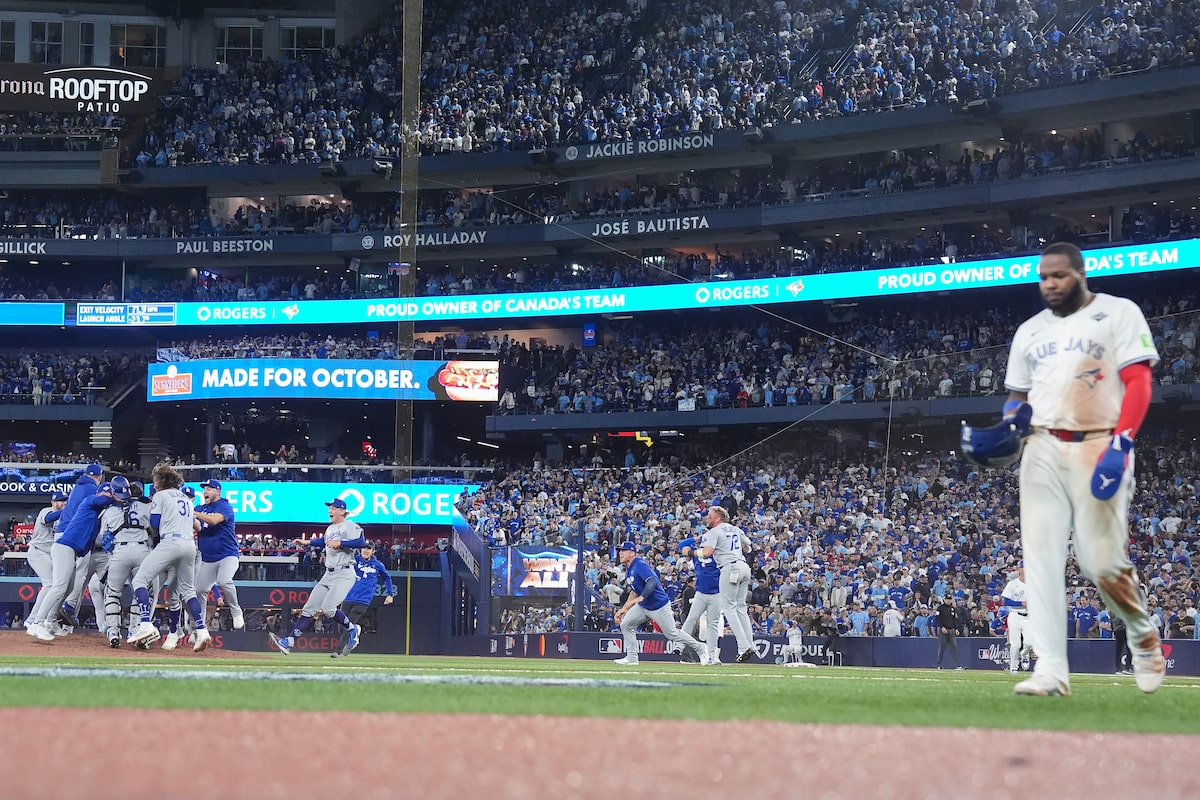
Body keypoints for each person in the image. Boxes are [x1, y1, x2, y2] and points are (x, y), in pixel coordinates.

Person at [1002, 241, 1165, 696]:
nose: (1050, 284)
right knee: (1040, 558)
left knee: (1099, 562)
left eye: (1058, 275)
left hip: (1100, 442)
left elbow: (1139, 382)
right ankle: (1051, 668)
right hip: (1041, 447)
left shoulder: (1119, 312)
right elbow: (1017, 398)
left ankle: (1141, 631)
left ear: (1080, 274)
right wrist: (1008, 424)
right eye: (1043, 277)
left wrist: (1122, 443)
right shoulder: (1029, 331)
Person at [25, 481, 126, 642]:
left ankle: (50, 621)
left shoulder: (97, 515)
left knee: (69, 588)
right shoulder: (90, 501)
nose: (108, 496)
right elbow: (103, 499)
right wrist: (119, 496)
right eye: (107, 493)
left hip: (71, 551)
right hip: (63, 547)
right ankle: (36, 622)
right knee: (58, 586)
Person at [128, 463, 211, 652]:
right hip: (189, 545)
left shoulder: (160, 495)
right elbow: (196, 525)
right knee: (188, 592)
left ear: (161, 479)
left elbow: (155, 523)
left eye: (155, 479)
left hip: (170, 542)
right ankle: (201, 629)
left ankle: (145, 623)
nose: (154, 483)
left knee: (140, 580)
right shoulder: (185, 498)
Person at [269, 497, 367, 655]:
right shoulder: (330, 529)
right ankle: (289, 642)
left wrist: (342, 543)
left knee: (328, 609)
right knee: (308, 608)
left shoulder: (349, 525)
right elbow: (324, 541)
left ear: (342, 511)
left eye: (333, 508)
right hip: (328, 573)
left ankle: (351, 629)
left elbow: (362, 543)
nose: (330, 511)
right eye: (329, 508)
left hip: (344, 573)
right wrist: (308, 542)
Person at [611, 541, 706, 665]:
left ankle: (700, 647)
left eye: (624, 550)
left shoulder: (639, 565)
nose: (620, 553)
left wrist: (642, 596)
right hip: (644, 606)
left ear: (632, 553)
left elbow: (653, 581)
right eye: (620, 551)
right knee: (626, 625)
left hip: (659, 605)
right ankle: (632, 658)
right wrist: (624, 609)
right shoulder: (630, 568)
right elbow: (634, 592)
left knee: (672, 633)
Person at [99, 480, 157, 648]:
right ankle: (136, 631)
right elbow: (154, 530)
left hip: (120, 552)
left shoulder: (109, 511)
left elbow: (102, 537)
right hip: (142, 551)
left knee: (112, 593)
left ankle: (113, 632)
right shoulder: (144, 506)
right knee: (142, 592)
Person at [699, 505, 756, 663]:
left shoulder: (714, 532)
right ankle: (750, 644)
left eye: (710, 516)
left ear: (718, 518)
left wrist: (691, 552)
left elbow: (706, 553)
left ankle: (743, 647)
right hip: (744, 567)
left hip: (730, 568)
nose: (707, 518)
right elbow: (748, 545)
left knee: (729, 607)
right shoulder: (735, 529)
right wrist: (742, 548)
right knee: (741, 608)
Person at [192, 478, 244, 632]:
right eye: (204, 489)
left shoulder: (224, 506)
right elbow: (198, 528)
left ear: (218, 491)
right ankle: (200, 626)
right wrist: (188, 517)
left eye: (209, 489)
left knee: (224, 580)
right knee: (199, 590)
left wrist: (193, 512)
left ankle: (236, 612)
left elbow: (214, 520)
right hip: (208, 559)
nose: (205, 491)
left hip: (227, 555)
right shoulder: (200, 507)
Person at [331, 542, 395, 658]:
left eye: (368, 548)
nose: (366, 550)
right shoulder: (354, 560)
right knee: (341, 627)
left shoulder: (377, 565)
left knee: (347, 625)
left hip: (363, 600)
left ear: (373, 551)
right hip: (348, 597)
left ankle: (337, 651)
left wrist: (390, 594)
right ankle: (355, 630)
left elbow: (387, 577)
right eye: (364, 548)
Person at [24, 491, 67, 633]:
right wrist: (70, 509)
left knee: (58, 586)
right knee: (50, 584)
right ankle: (32, 619)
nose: (64, 503)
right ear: (53, 502)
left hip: (50, 555)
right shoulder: (46, 511)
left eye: (66, 500)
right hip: (37, 552)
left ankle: (48, 620)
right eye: (61, 500)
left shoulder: (64, 516)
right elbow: (49, 518)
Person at [678, 534, 722, 665]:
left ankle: (712, 655)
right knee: (691, 619)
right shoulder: (697, 554)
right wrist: (696, 538)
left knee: (712, 624)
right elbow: (681, 545)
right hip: (701, 593)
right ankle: (680, 645)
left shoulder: (718, 555)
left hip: (716, 593)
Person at [1001, 565, 1032, 674]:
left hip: (1029, 616)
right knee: (1015, 644)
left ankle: (1024, 654)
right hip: (1015, 614)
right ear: (1020, 569)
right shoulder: (1013, 584)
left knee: (1029, 642)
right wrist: (1021, 603)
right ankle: (1013, 667)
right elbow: (1005, 601)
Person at [934, 597, 964, 670]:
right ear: (944, 600)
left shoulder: (952, 609)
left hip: (951, 630)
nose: (948, 601)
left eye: (950, 599)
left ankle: (958, 665)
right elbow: (937, 618)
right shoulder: (940, 608)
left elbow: (955, 619)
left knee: (954, 647)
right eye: (947, 599)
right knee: (942, 647)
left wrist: (956, 628)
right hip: (944, 630)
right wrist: (941, 627)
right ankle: (939, 664)